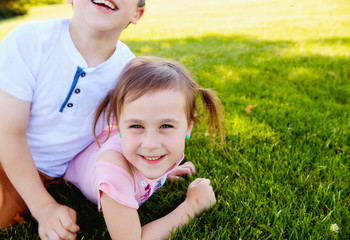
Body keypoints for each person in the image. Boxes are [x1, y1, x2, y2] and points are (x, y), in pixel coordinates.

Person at [0, 0, 145, 239]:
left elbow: (130, 128)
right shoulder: (29, 41)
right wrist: (43, 207)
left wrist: (152, 162)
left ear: (137, 13)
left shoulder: (127, 73)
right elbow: (8, 133)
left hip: (36, 171)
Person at [65, 56, 224, 239]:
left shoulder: (162, 151)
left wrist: (165, 173)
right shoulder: (113, 172)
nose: (150, 144)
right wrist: (192, 205)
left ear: (188, 125)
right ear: (119, 124)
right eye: (136, 126)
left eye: (165, 126)